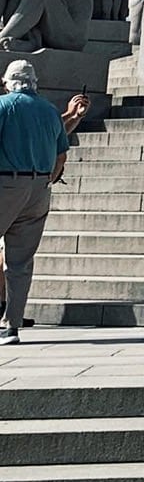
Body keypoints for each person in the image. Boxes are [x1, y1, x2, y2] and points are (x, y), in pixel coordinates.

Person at [0, 59, 71, 345]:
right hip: (39, 187)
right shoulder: (50, 110)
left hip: (6, 182)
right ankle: (11, 326)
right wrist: (47, 179)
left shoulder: (4, 106)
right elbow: (61, 155)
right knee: (20, 260)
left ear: (9, 82)